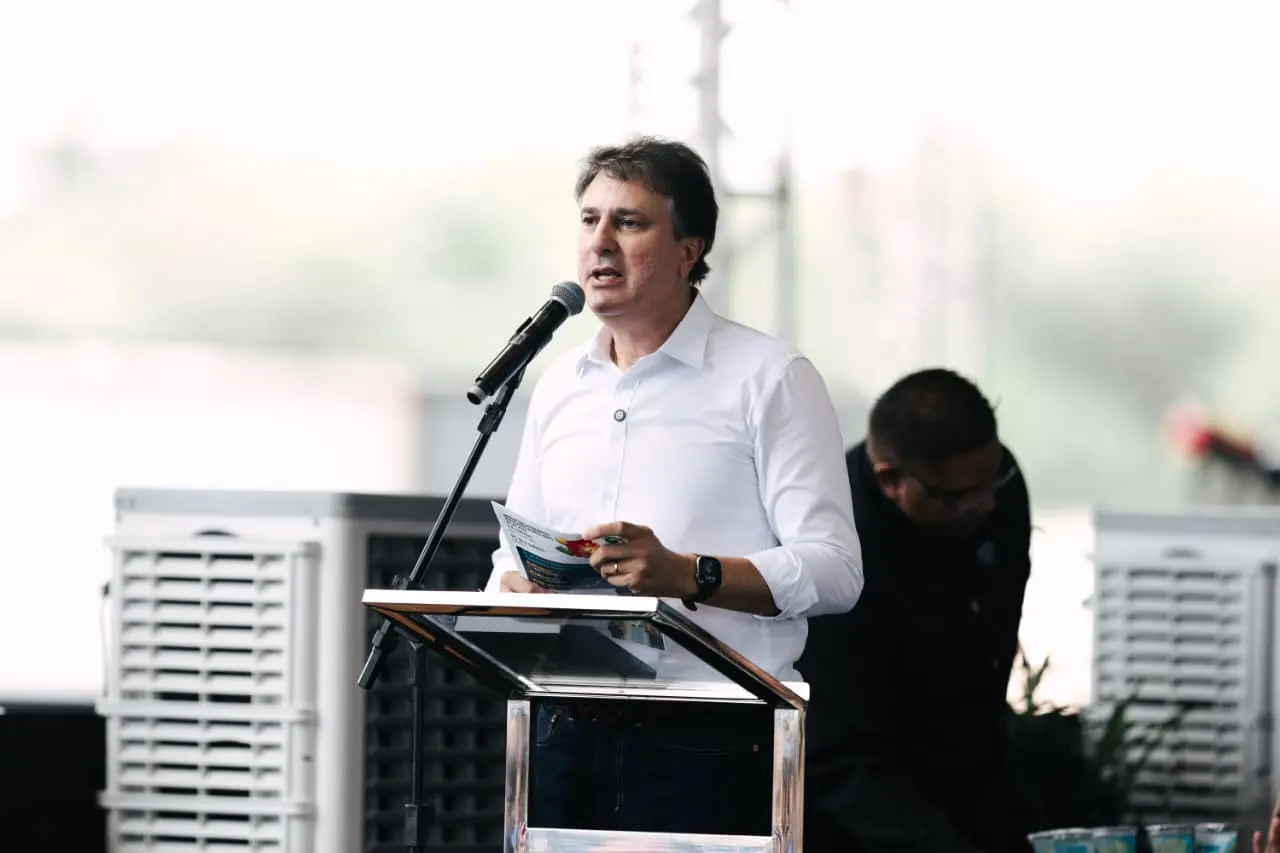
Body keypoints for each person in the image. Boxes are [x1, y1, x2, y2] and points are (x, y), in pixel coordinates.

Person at [482, 136, 863, 836]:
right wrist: (513, 588)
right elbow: (514, 551)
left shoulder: (768, 377)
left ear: (690, 249)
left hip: (710, 735)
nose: (600, 242)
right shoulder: (559, 384)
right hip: (564, 728)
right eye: (590, 219)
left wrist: (687, 573)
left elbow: (835, 570)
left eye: (628, 222)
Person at [796, 367, 1033, 853]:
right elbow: (835, 753)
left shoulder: (996, 487)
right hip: (860, 803)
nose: (986, 506)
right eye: (961, 498)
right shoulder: (833, 544)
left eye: (992, 482)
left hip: (971, 770)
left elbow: (995, 634)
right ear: (890, 479)